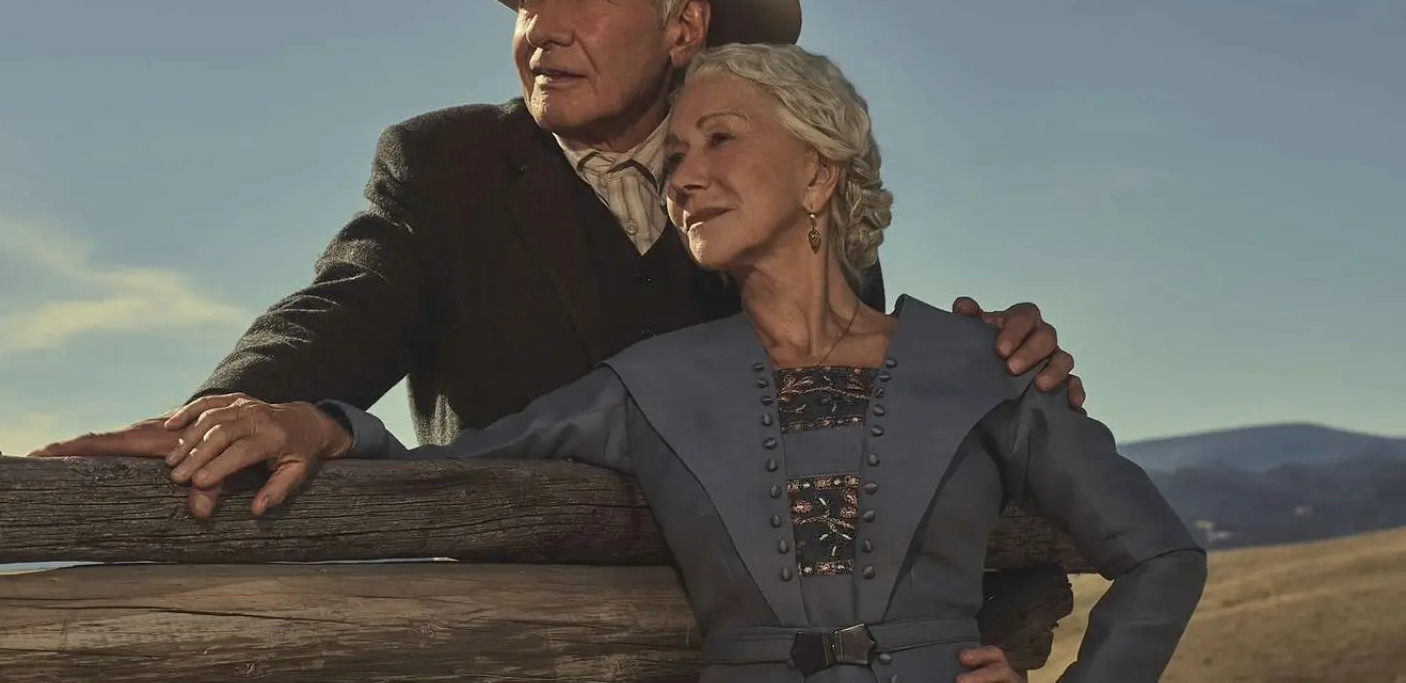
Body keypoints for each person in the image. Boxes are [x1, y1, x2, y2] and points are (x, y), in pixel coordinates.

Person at [33, 0, 1083, 523]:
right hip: (521, 630)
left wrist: (987, 379)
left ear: (684, 28)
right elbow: (348, 305)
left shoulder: (777, 175)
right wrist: (239, 401)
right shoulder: (446, 166)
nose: (543, 28)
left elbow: (845, 394)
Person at [155, 43, 1208, 683]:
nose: (682, 177)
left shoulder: (979, 363)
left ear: (817, 171)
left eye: (718, 142)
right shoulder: (648, 382)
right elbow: (462, 467)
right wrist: (318, 421)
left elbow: (1159, 554)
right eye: (673, 160)